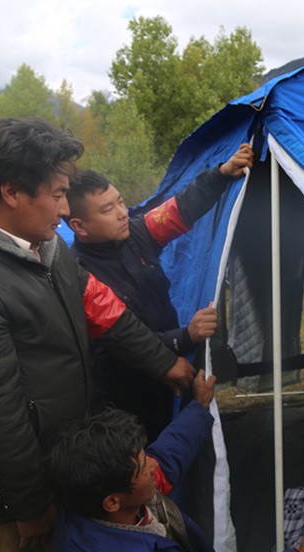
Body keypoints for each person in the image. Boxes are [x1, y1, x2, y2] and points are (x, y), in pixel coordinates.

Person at [0, 117, 196, 552]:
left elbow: (105, 312)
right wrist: (30, 504)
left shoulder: (45, 248)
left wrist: (164, 361)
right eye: (57, 195)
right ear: (11, 192)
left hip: (49, 470)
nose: (63, 209)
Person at [46, 372, 304, 552]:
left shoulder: (89, 500)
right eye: (143, 467)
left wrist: (199, 407)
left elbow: (166, 457)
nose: (152, 466)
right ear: (112, 502)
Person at [64, 144, 253, 441]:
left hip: (169, 374)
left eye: (120, 202)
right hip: (123, 396)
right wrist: (185, 336)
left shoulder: (136, 234)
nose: (122, 213)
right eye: (107, 210)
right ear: (79, 226)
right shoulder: (80, 276)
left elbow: (182, 207)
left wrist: (221, 173)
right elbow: (115, 347)